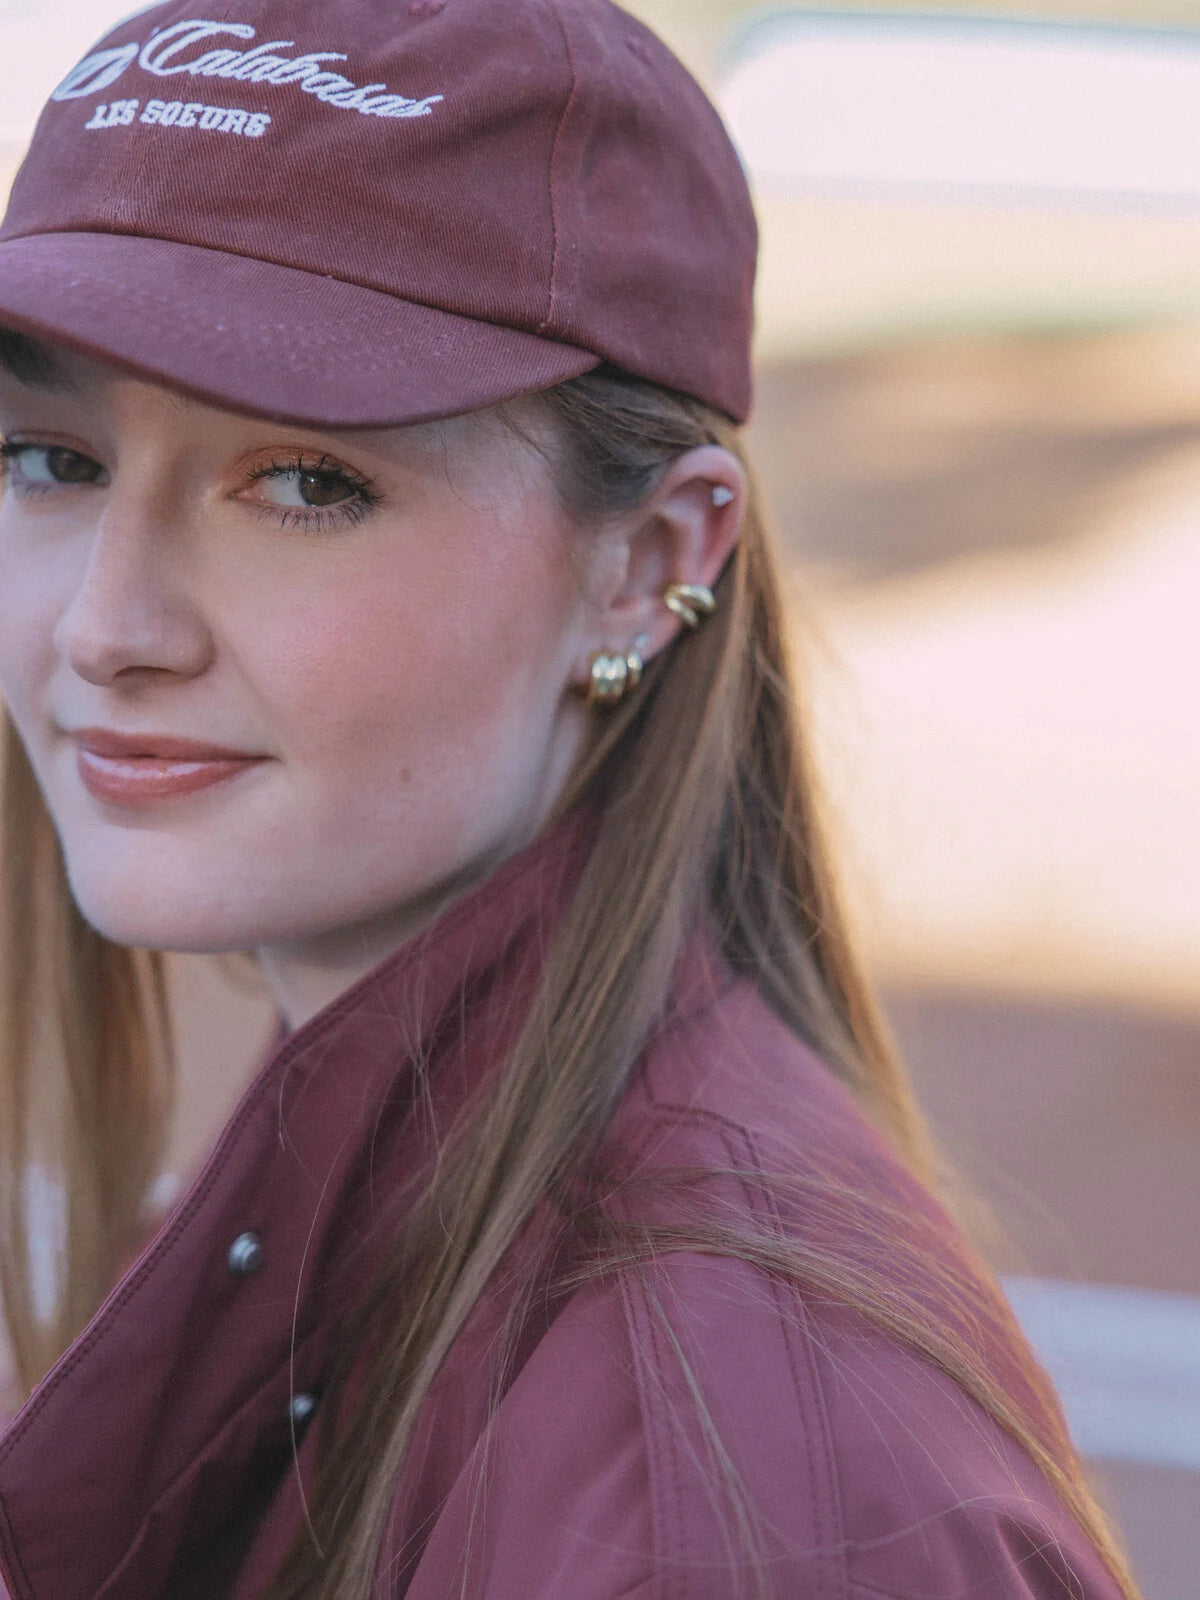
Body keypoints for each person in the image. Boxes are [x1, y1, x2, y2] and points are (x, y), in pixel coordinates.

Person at [0, 2, 1142, 1597]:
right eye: (52, 461)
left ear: (650, 561)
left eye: (307, 483)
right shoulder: (390, 1168)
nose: (109, 629)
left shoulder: (721, 1507)